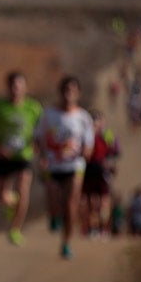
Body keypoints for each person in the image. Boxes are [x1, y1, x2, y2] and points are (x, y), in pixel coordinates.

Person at [33, 75, 95, 260]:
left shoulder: (83, 117)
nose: (69, 94)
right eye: (66, 90)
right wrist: (42, 156)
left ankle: (66, 243)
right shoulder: (48, 114)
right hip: (52, 166)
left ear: (78, 93)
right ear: (60, 93)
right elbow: (38, 138)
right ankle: (53, 216)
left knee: (70, 205)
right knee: (53, 202)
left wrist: (85, 152)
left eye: (72, 90)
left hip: (74, 166)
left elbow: (88, 144)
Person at [0, 70, 42, 246]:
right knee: (1, 197)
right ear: (7, 88)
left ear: (25, 87)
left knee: (23, 190)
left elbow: (43, 129)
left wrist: (36, 146)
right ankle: (11, 200)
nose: (16, 89)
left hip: (23, 156)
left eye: (19, 85)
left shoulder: (33, 107)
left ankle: (15, 229)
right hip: (4, 156)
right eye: (13, 85)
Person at [80, 110, 120, 239]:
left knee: (104, 200)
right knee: (91, 201)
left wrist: (111, 166)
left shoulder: (107, 135)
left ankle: (103, 229)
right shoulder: (86, 134)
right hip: (88, 168)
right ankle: (92, 228)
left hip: (102, 169)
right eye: (94, 121)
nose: (96, 124)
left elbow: (115, 151)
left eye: (99, 121)